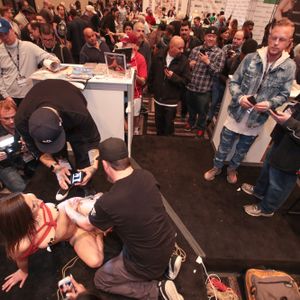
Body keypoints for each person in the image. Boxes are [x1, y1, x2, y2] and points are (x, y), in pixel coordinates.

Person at [64, 137, 183, 300]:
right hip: (167, 242)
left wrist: (69, 208)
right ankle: (167, 265)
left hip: (146, 262)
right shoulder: (146, 176)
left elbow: (87, 225)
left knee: (101, 280)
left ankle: (158, 291)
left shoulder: (109, 202)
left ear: (105, 165)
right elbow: (136, 204)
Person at [204, 18, 296, 184]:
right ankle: (216, 167)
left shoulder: (289, 67)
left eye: (282, 39)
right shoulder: (251, 58)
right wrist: (240, 97)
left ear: (290, 42)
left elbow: (284, 94)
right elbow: (233, 81)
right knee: (224, 145)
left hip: (257, 119)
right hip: (236, 113)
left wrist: (269, 104)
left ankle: (232, 169)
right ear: (268, 36)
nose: (276, 43)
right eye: (273, 37)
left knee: (242, 149)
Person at [0, 192, 104, 292]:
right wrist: (23, 271)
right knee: (95, 261)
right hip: (73, 234)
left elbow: (68, 207)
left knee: (99, 209)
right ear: (23, 220)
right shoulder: (23, 244)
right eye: (34, 206)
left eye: (28, 196)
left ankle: (96, 202)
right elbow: (21, 258)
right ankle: (98, 234)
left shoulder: (30, 198)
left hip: (74, 209)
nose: (40, 201)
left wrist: (77, 209)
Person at [15, 79, 100, 201]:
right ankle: (68, 179)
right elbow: (36, 150)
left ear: (61, 121)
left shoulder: (78, 114)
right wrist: (55, 167)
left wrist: (93, 167)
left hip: (69, 98)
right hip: (42, 98)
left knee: (83, 152)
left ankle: (86, 183)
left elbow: (91, 141)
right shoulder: (22, 121)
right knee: (59, 156)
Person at [242, 102, 300, 217]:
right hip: (284, 136)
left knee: (279, 182)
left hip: (295, 151)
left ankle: (267, 208)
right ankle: (259, 191)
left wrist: (290, 123)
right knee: (268, 167)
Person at [0, 18, 59, 106]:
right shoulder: (1, 51)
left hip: (31, 94)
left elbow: (54, 59)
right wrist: (6, 96)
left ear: (12, 30)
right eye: (1, 35)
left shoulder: (29, 46)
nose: (5, 37)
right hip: (11, 97)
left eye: (6, 33)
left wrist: (50, 65)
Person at [185, 26, 225, 137]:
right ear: (205, 37)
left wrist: (208, 62)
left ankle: (201, 127)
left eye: (213, 36)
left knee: (203, 111)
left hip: (205, 89)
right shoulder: (196, 49)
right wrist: (189, 65)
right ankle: (191, 122)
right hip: (191, 86)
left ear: (216, 38)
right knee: (191, 108)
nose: (211, 39)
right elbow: (186, 67)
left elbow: (217, 73)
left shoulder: (219, 53)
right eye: (209, 36)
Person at [148, 36, 190, 136]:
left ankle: (167, 147)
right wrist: (152, 89)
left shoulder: (184, 61)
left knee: (168, 128)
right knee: (158, 125)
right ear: (171, 47)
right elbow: (152, 74)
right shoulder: (159, 56)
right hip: (158, 99)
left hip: (171, 101)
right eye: (179, 48)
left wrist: (173, 77)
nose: (182, 50)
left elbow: (186, 81)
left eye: (183, 48)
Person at [0, 100, 36, 192]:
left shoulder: (24, 123)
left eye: (13, 117)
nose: (11, 121)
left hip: (26, 157)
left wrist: (30, 146)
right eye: (6, 118)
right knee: (21, 189)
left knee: (44, 174)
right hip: (5, 164)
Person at [121, 33, 147, 135]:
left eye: (126, 44)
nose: (123, 46)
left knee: (134, 117)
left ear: (133, 45)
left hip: (135, 93)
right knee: (120, 115)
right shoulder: (119, 56)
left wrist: (133, 74)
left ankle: (134, 130)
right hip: (121, 92)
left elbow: (143, 81)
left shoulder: (140, 58)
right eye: (123, 44)